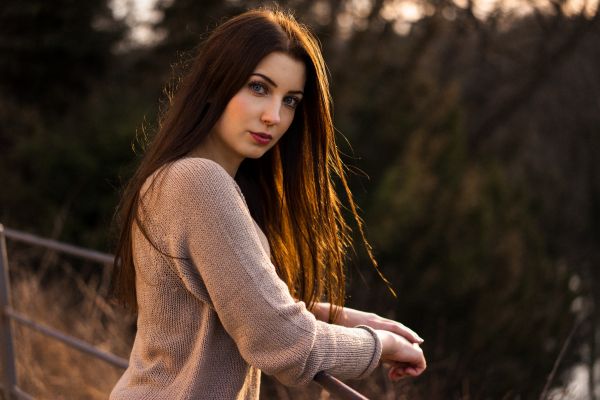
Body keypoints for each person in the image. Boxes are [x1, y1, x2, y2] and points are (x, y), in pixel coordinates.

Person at [109, 7, 426, 400]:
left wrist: (338, 316)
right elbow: (281, 342)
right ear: (215, 84)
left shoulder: (186, 178)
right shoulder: (199, 182)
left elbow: (241, 300)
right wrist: (379, 346)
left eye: (290, 100)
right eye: (259, 87)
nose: (274, 116)